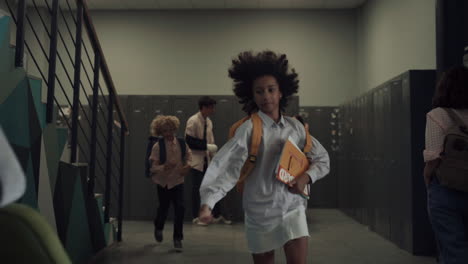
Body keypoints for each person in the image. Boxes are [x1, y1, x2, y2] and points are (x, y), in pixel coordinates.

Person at [198, 50, 330, 264]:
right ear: (252, 95)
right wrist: (208, 202)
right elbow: (226, 167)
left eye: (271, 90)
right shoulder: (249, 129)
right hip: (261, 211)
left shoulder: (295, 127)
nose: (266, 96)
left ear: (281, 93)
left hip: (293, 207)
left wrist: (306, 178)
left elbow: (323, 159)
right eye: (259, 91)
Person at [423, 65, 468, 264]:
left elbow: (433, 156)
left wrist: (428, 180)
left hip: (446, 189)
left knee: (453, 248)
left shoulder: (438, 114)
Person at [185, 96, 232, 225]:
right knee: (197, 189)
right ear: (204, 107)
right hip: (196, 161)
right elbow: (189, 141)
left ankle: (213, 214)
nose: (213, 110)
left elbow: (210, 140)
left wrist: (212, 152)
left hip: (208, 159)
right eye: (211, 107)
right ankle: (197, 216)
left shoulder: (209, 121)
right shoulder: (193, 121)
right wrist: (205, 146)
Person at [149, 115, 191, 252]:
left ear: (175, 129)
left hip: (178, 180)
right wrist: (162, 167)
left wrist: (187, 166)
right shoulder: (157, 146)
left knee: (180, 208)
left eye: (171, 130)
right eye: (165, 131)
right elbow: (153, 168)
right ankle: (158, 227)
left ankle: (177, 238)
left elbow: (189, 157)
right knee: (163, 208)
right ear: (160, 132)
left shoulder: (182, 143)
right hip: (163, 182)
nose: (168, 134)